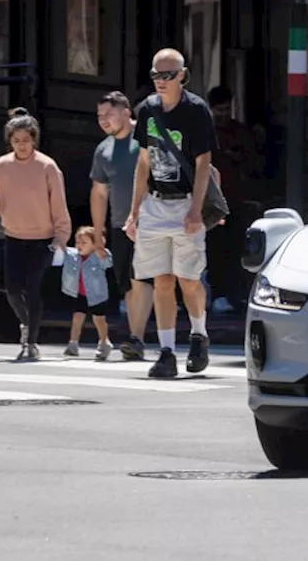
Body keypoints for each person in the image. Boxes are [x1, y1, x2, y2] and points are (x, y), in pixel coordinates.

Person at [123, 49, 219, 379]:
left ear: (182, 76)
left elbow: (203, 163)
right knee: (161, 280)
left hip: (185, 202)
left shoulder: (196, 111)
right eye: (155, 76)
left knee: (188, 280)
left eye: (167, 75)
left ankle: (198, 334)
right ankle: (166, 352)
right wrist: (134, 212)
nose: (160, 82)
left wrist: (195, 211)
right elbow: (144, 163)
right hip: (155, 202)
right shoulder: (147, 110)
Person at [0, 108, 72, 361]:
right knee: (12, 290)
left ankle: (31, 342)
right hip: (14, 236)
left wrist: (61, 236)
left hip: (43, 239)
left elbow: (59, 203)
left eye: (26, 140)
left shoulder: (47, 166)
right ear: (10, 141)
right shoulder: (1, 165)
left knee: (32, 287)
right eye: (16, 141)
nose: (22, 146)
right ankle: (27, 326)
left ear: (34, 140)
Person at [89, 91, 153, 360]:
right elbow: (100, 192)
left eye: (109, 114)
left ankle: (136, 337)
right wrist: (98, 231)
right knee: (127, 283)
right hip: (118, 223)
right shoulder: (103, 150)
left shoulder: (148, 138)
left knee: (142, 279)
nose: (104, 121)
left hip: (151, 219)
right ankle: (134, 337)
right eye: (100, 116)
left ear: (126, 112)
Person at [205, 85, 261, 314]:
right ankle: (216, 293)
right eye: (219, 110)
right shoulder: (205, 133)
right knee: (214, 250)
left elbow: (253, 162)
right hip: (212, 202)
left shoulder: (240, 132)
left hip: (236, 200)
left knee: (235, 249)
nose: (223, 114)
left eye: (227, 109)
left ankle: (232, 294)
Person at [60, 226, 114, 360]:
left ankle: (104, 341)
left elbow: (108, 262)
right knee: (77, 317)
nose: (79, 246)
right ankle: (73, 344)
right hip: (80, 293)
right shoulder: (72, 255)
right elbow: (61, 250)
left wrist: (100, 247)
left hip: (97, 294)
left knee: (99, 318)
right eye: (78, 242)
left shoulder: (98, 256)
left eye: (84, 243)